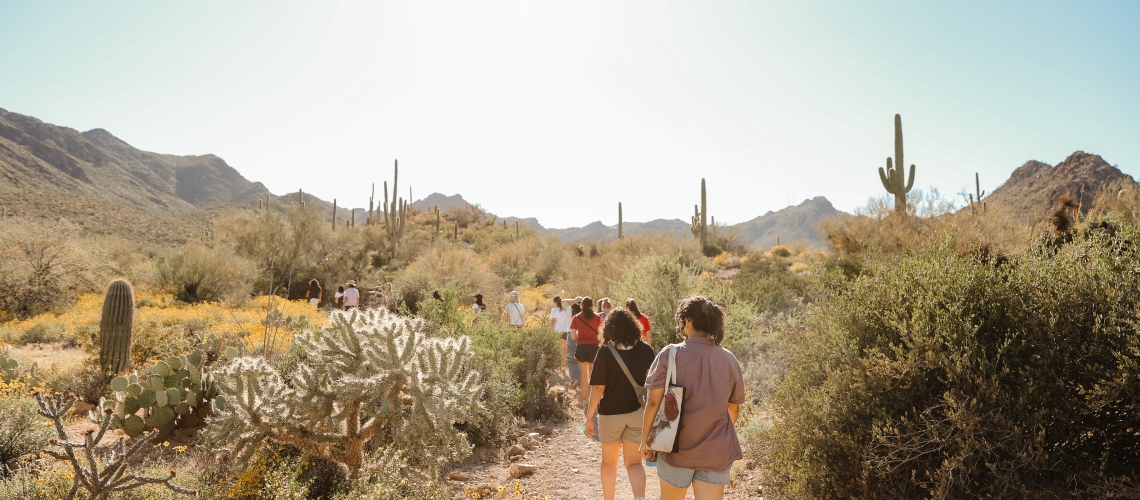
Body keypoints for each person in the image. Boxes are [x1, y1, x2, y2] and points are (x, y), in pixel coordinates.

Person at [640, 295, 744, 500]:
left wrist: (644, 441)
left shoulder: (670, 354)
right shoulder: (729, 359)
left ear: (687, 322)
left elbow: (653, 403)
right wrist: (714, 432)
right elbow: (733, 409)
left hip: (676, 449)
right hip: (716, 452)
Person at [585, 309, 654, 500]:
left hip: (610, 415)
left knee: (609, 462)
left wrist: (590, 417)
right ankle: (639, 498)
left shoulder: (605, 352)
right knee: (634, 463)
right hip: (638, 413)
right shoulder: (645, 349)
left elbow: (598, 388)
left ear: (608, 329)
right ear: (634, 326)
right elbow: (654, 381)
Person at [571, 297, 603, 403]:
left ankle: (585, 400)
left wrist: (580, 333)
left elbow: (572, 337)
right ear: (591, 306)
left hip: (582, 347)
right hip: (595, 347)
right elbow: (601, 334)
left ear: (582, 306)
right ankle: (594, 401)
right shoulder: (597, 317)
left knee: (584, 376)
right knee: (594, 375)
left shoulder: (576, 318)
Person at [551, 296, 579, 382]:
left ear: (555, 302)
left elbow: (553, 321)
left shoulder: (555, 310)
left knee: (559, 349)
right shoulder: (568, 309)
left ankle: (561, 366)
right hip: (566, 330)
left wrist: (551, 331)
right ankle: (564, 366)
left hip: (558, 331)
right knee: (565, 349)